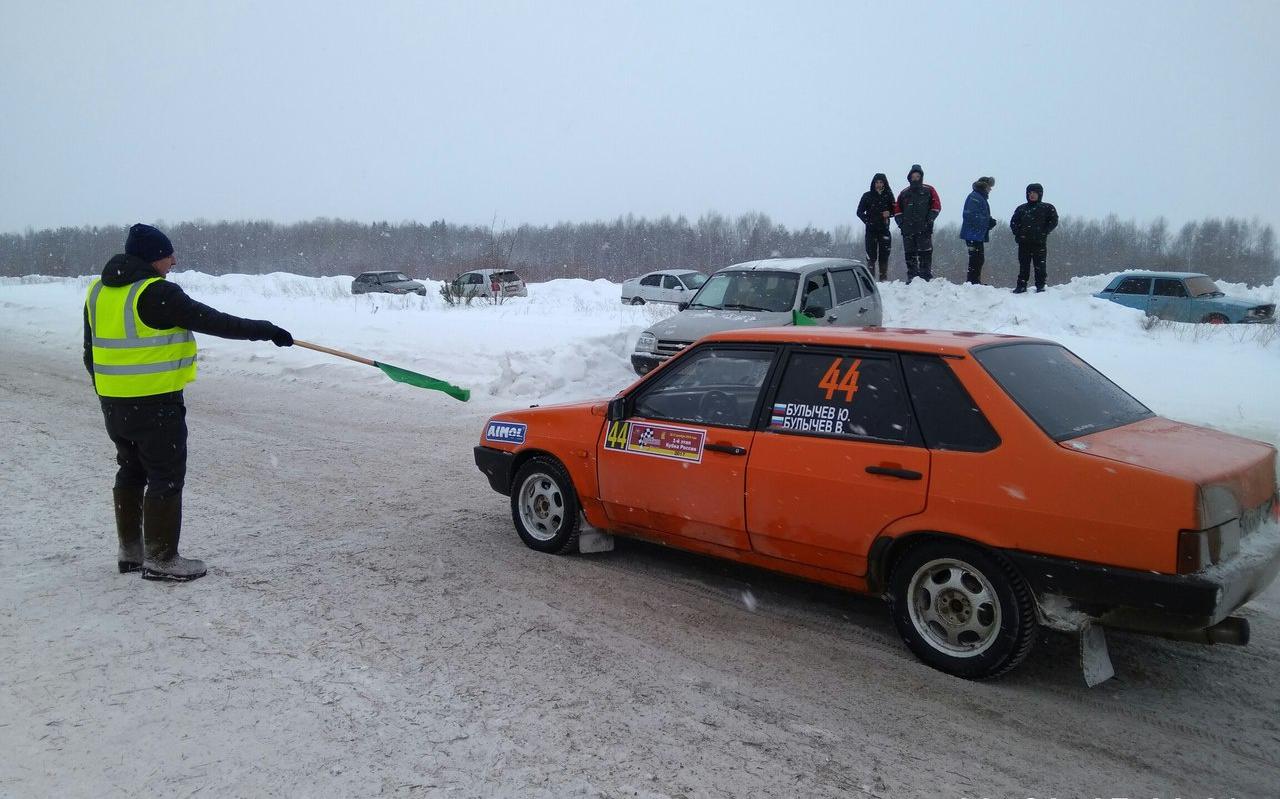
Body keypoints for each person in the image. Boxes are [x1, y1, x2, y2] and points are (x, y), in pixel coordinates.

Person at [84, 224, 294, 582]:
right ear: (153, 257)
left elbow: (89, 352)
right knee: (165, 476)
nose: (174, 261)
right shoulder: (156, 292)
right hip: (156, 403)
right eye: (169, 254)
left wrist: (108, 391)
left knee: (131, 470)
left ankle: (131, 553)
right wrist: (266, 330)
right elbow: (214, 321)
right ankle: (162, 559)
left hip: (115, 405)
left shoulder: (98, 291)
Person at [893, 164, 941, 282]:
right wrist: (901, 224)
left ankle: (925, 277)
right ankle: (912, 277)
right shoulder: (904, 193)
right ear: (909, 178)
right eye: (913, 176)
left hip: (924, 228)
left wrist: (929, 220)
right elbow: (897, 210)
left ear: (921, 177)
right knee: (910, 254)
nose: (915, 178)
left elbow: (936, 206)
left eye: (917, 176)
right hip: (908, 230)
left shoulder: (929, 190)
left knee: (925, 253)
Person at [1009, 183, 1059, 293]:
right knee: (1024, 265)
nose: (1031, 195)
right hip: (1024, 243)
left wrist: (1045, 232)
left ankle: (1040, 285)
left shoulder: (1047, 208)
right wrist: (1018, 234)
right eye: (1029, 193)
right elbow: (1013, 223)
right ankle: (1021, 285)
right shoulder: (1021, 209)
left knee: (1040, 265)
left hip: (1039, 243)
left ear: (1040, 194)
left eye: (1034, 193)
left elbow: (1054, 220)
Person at [856, 173, 896, 281]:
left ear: (884, 183)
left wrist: (890, 213)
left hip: (884, 230)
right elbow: (859, 212)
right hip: (871, 230)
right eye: (876, 182)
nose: (878, 184)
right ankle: (871, 281)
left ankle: (883, 281)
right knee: (871, 257)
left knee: (884, 256)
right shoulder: (867, 196)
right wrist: (868, 221)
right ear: (873, 183)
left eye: (881, 182)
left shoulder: (888, 195)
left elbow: (895, 210)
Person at [959, 177, 997, 284]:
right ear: (985, 186)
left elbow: (977, 214)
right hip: (972, 234)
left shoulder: (978, 197)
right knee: (976, 259)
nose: (990, 189)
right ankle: (973, 282)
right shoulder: (975, 197)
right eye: (989, 187)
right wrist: (987, 222)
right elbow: (971, 215)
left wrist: (988, 220)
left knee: (977, 259)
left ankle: (974, 281)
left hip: (975, 234)